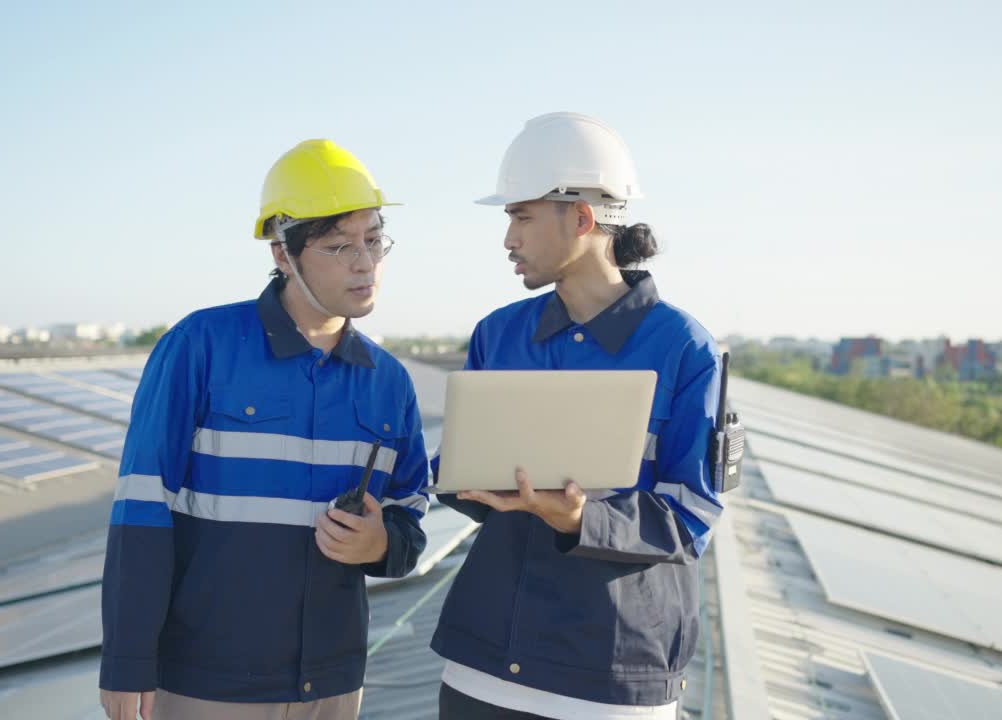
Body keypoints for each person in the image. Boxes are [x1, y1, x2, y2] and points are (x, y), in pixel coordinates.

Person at [98, 139, 429, 720]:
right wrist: (127, 661)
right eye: (340, 246)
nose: (365, 262)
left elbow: (409, 514)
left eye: (375, 240)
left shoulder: (390, 381)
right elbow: (142, 510)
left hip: (333, 682)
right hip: (209, 682)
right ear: (283, 253)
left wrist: (380, 544)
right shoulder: (199, 347)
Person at [431, 113, 725, 720]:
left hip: (611, 679)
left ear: (582, 218)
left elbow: (692, 513)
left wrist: (581, 518)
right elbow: (464, 477)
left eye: (520, 216)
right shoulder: (499, 335)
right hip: (485, 663)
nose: (507, 239)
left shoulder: (685, 350)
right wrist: (458, 477)